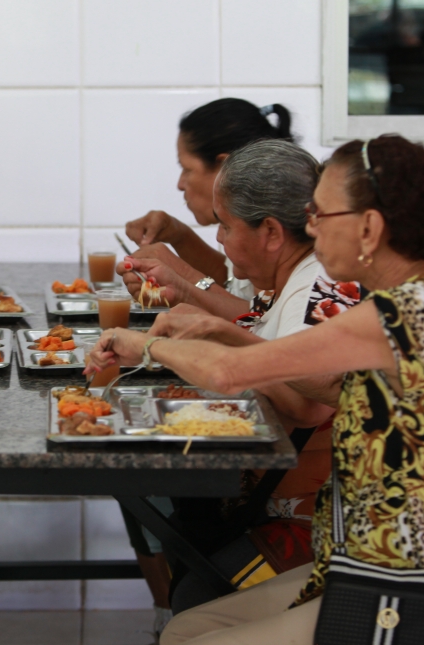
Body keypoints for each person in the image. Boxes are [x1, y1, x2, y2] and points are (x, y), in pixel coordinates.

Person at [90, 135, 424, 645]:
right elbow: (323, 383)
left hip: (402, 593)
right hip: (368, 560)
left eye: (321, 216)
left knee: (189, 636)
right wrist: (217, 328)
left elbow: (230, 375)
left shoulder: (397, 317)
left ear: (369, 228)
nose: (308, 229)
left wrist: (141, 346)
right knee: (189, 626)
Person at [133, 140, 360, 622]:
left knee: (195, 591)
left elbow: (310, 404)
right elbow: (258, 325)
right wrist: (183, 293)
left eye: (225, 226)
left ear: (272, 232)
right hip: (263, 491)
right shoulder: (291, 277)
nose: (217, 239)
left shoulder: (322, 282)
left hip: (313, 516)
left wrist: (206, 333)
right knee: (184, 537)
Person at [119, 98, 295, 321]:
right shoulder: (259, 216)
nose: (180, 184)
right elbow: (233, 284)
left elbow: (264, 322)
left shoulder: (278, 228)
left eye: (187, 169)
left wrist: (182, 279)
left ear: (224, 167)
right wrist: (179, 235)